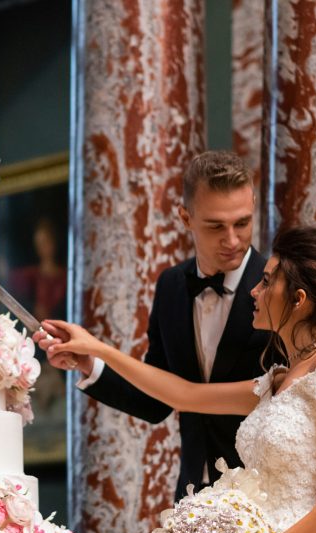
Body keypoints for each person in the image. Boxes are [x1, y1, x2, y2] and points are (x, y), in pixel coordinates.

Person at [44, 226, 316, 533]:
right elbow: (186, 395)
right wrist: (98, 351)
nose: (255, 290)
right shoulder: (279, 379)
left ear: (298, 299)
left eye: (266, 282)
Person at [35, 150, 280, 497]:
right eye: (215, 226)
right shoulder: (171, 286)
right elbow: (156, 400)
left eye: (242, 222)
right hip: (195, 494)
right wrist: (89, 364)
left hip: (267, 494)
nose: (232, 239)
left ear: (253, 205)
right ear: (185, 217)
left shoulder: (280, 287)